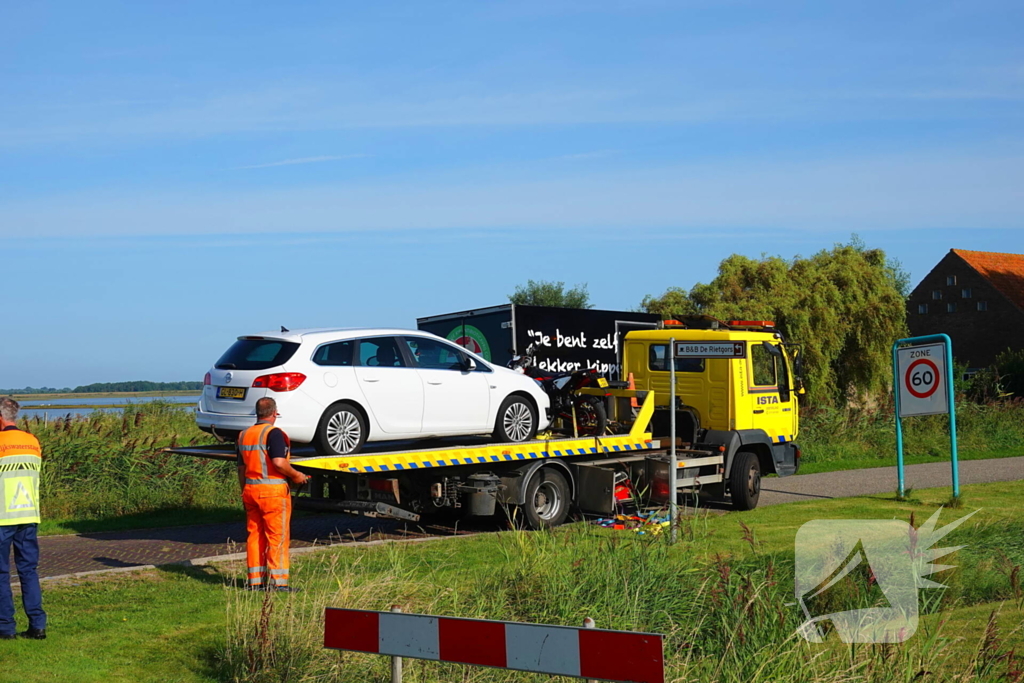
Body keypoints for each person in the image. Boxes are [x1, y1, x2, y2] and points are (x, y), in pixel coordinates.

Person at [237, 397, 310, 592]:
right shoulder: (274, 433)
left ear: (257, 413)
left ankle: (255, 581)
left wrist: (243, 491)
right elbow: (279, 462)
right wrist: (297, 476)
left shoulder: (244, 435)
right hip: (272, 492)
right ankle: (279, 583)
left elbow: (241, 468)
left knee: (255, 536)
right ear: (274, 413)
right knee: (277, 536)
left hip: (251, 490)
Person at [0, 397, 46, 639]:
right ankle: (38, 625)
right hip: (28, 513)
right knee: (29, 570)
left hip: (2, 516)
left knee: (1, 573)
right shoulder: (32, 441)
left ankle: (5, 627)